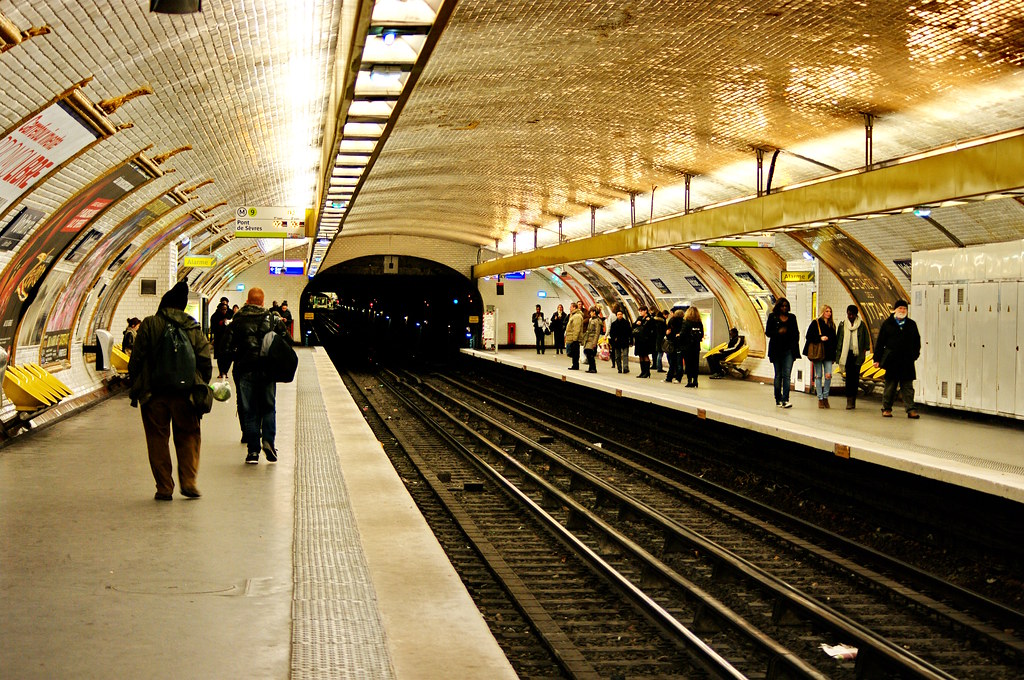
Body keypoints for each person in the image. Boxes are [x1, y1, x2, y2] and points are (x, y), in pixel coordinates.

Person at [128, 281, 212, 500]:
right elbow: (204, 360)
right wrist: (201, 384)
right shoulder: (192, 327)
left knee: (157, 439)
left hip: (154, 394)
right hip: (186, 395)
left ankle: (164, 486)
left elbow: (137, 357)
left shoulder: (150, 324)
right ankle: (189, 482)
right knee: (189, 436)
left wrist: (136, 382)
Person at [221, 287, 288, 464]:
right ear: (263, 301)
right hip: (267, 370)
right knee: (268, 407)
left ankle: (253, 452)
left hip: (245, 370)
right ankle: (268, 441)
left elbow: (226, 348)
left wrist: (224, 370)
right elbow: (285, 340)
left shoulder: (237, 320)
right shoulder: (273, 319)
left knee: (249, 410)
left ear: (248, 301)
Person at [873, 299, 921, 418]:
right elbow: (880, 342)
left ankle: (911, 409)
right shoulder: (887, 324)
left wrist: (914, 355)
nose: (902, 310)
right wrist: (877, 359)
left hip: (907, 360)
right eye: (900, 308)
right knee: (890, 386)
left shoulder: (911, 324)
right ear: (895, 310)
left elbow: (917, 342)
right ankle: (886, 408)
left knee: (908, 387)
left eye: (904, 308)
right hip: (892, 360)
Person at [765, 297, 800, 407]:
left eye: (786, 306)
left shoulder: (792, 318)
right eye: (782, 306)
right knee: (778, 375)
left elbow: (796, 333)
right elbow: (768, 332)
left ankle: (785, 399)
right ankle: (778, 398)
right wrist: (778, 332)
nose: (784, 308)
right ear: (778, 307)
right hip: (776, 349)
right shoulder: (772, 317)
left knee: (787, 375)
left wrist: (793, 342)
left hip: (789, 349)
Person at [835, 305, 869, 410]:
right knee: (849, 377)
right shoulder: (842, 325)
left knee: (855, 378)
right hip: (846, 355)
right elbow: (838, 340)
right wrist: (838, 354)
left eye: (852, 314)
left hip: (857, 355)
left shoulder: (862, 325)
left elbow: (866, 341)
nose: (850, 316)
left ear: (856, 314)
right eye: (848, 314)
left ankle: (853, 398)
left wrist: (863, 352)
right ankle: (849, 400)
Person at [804, 305, 837, 408]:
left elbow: (834, 340)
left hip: (828, 354)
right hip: (818, 353)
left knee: (828, 375)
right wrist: (820, 338)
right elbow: (808, 336)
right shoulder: (816, 323)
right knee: (818, 375)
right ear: (823, 312)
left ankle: (826, 396)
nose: (829, 313)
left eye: (830, 311)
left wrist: (834, 356)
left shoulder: (832, 325)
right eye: (827, 311)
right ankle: (820, 398)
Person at [680, 306, 704, 388]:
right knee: (695, 363)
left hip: (687, 347)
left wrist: (679, 336)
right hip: (696, 346)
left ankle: (689, 380)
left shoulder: (686, 322)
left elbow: (683, 334)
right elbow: (702, 335)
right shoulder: (699, 323)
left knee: (689, 364)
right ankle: (696, 381)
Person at [632, 306, 656, 378]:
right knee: (640, 355)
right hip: (639, 340)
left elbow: (652, 328)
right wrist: (637, 324)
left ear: (645, 311)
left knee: (645, 355)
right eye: (640, 311)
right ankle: (642, 371)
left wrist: (647, 322)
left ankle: (647, 372)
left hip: (646, 340)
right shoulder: (639, 318)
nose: (640, 312)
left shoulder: (650, 319)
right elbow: (633, 325)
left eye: (642, 311)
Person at [664, 308, 685, 383]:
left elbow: (668, 332)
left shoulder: (672, 320)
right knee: (679, 363)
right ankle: (678, 378)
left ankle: (669, 377)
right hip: (681, 344)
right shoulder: (684, 322)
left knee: (672, 362)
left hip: (672, 344)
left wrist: (668, 335)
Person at [608, 310, 632, 374]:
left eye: (621, 314)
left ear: (622, 315)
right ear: (616, 316)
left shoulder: (626, 323)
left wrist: (631, 340)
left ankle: (625, 368)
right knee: (617, 356)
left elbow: (630, 332)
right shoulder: (614, 324)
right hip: (617, 342)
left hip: (625, 341)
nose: (620, 315)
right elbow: (611, 333)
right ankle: (619, 368)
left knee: (625, 355)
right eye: (618, 314)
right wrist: (613, 339)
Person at [581, 306, 602, 373]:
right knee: (587, 352)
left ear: (594, 312)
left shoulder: (597, 321)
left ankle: (593, 368)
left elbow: (597, 332)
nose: (590, 313)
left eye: (591, 312)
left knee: (589, 353)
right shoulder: (591, 320)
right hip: (588, 338)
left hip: (592, 339)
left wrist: (594, 343)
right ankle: (591, 367)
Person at [564, 302, 584, 370]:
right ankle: (574, 365)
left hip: (574, 338)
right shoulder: (574, 315)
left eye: (571, 307)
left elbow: (576, 328)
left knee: (573, 352)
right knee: (573, 352)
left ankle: (575, 365)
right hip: (572, 337)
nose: (570, 308)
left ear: (574, 308)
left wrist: (575, 339)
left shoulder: (577, 316)